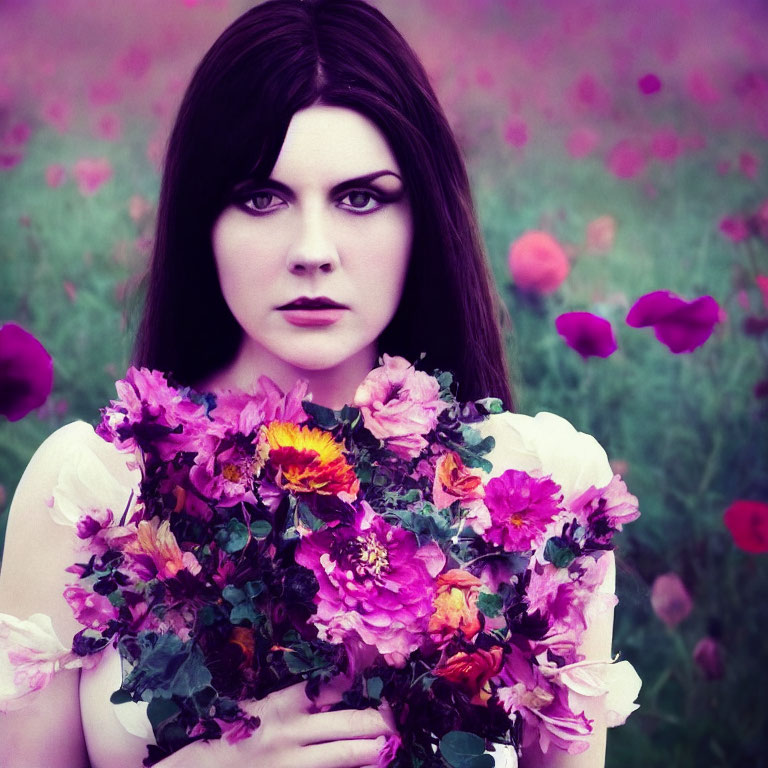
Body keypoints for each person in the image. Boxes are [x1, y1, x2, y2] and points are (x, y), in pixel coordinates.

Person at [0, 1, 618, 766]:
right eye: (261, 197)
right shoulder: (88, 491)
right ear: (203, 219)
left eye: (361, 198)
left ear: (422, 217)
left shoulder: (545, 489)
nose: (313, 250)